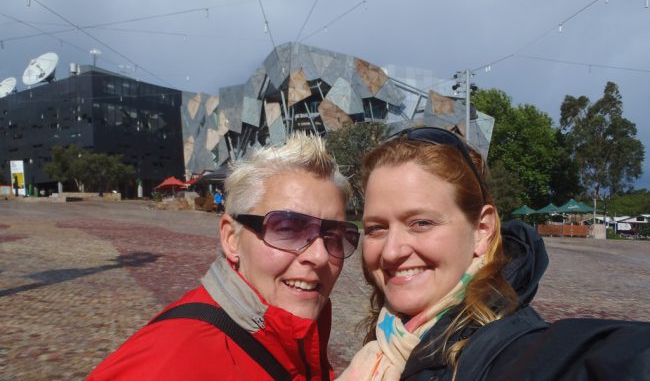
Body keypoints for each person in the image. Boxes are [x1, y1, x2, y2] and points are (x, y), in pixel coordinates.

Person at [338, 126, 650, 381]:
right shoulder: (388, 339)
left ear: (482, 231)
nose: (391, 252)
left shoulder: (501, 350)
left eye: (421, 223)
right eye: (377, 228)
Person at [88, 132, 360, 380]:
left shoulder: (297, 334)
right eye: (288, 228)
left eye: (334, 235)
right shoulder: (167, 366)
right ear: (231, 239)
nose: (320, 255)